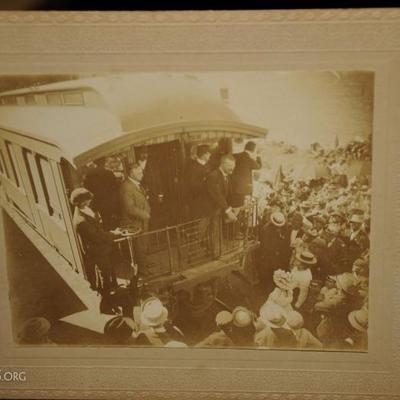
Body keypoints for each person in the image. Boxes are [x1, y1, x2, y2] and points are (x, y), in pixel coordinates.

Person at [71, 188, 121, 294]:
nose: (90, 201)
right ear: (82, 202)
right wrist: (113, 234)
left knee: (108, 270)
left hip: (101, 248)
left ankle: (112, 290)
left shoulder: (83, 209)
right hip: (97, 251)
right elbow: (97, 236)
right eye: (88, 200)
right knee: (105, 274)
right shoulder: (81, 221)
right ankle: (107, 300)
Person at [119, 163, 151, 276]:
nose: (142, 174)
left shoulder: (135, 184)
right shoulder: (127, 187)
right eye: (139, 172)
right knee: (139, 247)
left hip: (140, 221)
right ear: (132, 173)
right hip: (135, 223)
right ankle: (143, 271)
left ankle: (144, 265)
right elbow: (129, 208)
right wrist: (144, 214)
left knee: (143, 245)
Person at [206, 154, 237, 256]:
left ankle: (216, 251)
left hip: (219, 208)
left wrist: (231, 206)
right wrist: (228, 210)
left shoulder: (227, 176)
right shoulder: (213, 176)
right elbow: (217, 195)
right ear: (223, 164)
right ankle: (215, 253)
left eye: (234, 165)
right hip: (210, 210)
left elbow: (228, 194)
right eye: (230, 165)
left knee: (216, 230)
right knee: (208, 231)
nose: (232, 168)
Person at [258, 212, 291, 295]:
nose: (278, 228)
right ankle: (266, 290)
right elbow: (265, 246)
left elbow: (286, 241)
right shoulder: (265, 230)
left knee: (278, 273)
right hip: (268, 256)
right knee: (267, 273)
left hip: (280, 256)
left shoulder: (285, 228)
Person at [83, 157, 119, 229]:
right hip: (109, 203)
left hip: (97, 204)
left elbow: (87, 190)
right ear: (104, 163)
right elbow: (115, 189)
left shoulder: (89, 175)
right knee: (111, 222)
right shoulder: (108, 173)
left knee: (102, 223)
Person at [230, 141, 262, 208]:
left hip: (231, 186)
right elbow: (259, 166)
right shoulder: (249, 160)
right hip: (241, 190)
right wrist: (258, 155)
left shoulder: (235, 155)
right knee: (238, 208)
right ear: (253, 150)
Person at [184, 144, 211, 220]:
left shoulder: (208, 165)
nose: (210, 155)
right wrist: (205, 182)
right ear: (203, 155)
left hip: (207, 201)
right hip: (197, 201)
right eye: (208, 154)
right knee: (198, 222)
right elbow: (192, 185)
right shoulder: (192, 167)